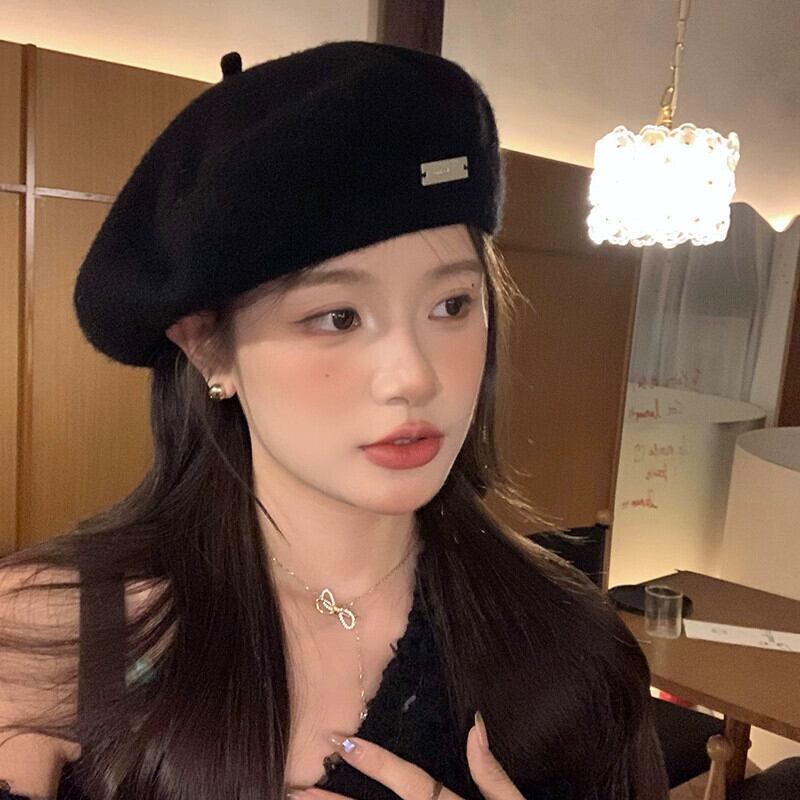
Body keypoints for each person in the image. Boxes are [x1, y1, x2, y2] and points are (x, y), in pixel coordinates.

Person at [0, 41, 669, 800]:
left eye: (452, 305)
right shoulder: (49, 634)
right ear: (208, 348)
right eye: (337, 316)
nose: (415, 376)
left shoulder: (567, 641)